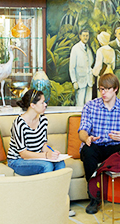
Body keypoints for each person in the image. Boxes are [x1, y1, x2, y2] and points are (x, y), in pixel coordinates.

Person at [78, 73, 120, 214]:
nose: (103, 93)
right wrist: (87, 138)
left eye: (107, 89)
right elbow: (82, 130)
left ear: (115, 89)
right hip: (98, 147)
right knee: (87, 149)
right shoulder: (90, 106)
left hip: (117, 148)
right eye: (101, 89)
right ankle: (94, 198)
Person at [7, 89, 76, 217]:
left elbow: (43, 144)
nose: (45, 105)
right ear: (32, 105)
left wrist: (51, 152)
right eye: (43, 102)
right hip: (17, 161)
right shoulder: (19, 123)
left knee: (59, 163)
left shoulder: (43, 120)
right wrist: (46, 156)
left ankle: (62, 205)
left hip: (36, 157)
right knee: (47, 166)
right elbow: (23, 154)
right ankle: (45, 207)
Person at [69, 29, 94, 106]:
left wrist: (92, 77)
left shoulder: (89, 49)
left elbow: (90, 64)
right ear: (80, 36)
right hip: (80, 81)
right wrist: (74, 81)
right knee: (80, 104)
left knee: (88, 103)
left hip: (89, 81)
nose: (85, 37)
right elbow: (72, 67)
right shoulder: (75, 48)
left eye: (87, 36)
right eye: (84, 36)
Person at [92, 31, 115, 96]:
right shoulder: (112, 50)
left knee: (102, 93)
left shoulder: (100, 50)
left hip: (103, 72)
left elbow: (98, 65)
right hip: (110, 72)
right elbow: (113, 65)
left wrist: (94, 73)